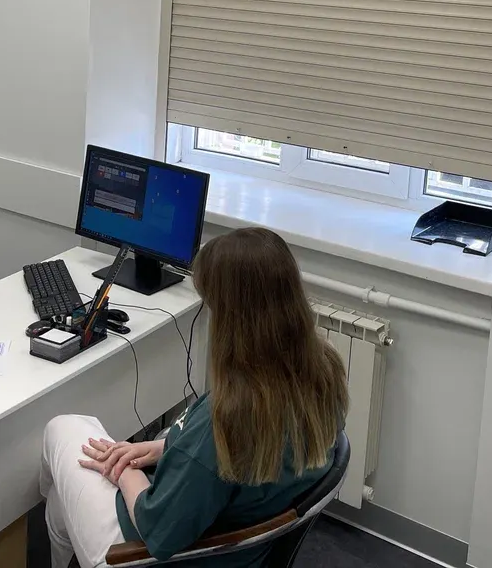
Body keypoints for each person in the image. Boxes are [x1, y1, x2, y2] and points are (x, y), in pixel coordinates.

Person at [40, 227, 348, 568]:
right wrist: (164, 447)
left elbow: (155, 528)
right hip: (241, 538)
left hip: (138, 553)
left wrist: (124, 471)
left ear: (231, 319)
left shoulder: (226, 420)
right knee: (60, 499)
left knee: (62, 428)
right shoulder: (324, 369)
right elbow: (229, 458)